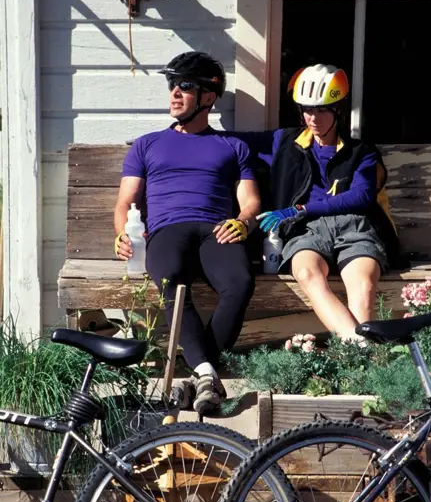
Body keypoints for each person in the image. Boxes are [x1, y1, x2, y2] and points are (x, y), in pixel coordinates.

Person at [114, 52, 261, 413]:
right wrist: (122, 233)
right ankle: (209, 374)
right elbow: (125, 202)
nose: (174, 93)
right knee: (171, 281)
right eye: (172, 85)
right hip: (168, 230)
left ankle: (199, 372)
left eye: (185, 86)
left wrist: (242, 222)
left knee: (240, 282)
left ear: (208, 98)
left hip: (216, 229)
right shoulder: (146, 145)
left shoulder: (233, 147)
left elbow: (252, 202)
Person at [238, 63, 400, 342]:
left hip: (355, 227)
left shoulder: (361, 151)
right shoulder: (284, 141)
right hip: (305, 230)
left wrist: (299, 208)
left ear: (339, 109)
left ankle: (356, 357)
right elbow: (227, 143)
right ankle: (362, 352)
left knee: (362, 286)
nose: (313, 117)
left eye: (323, 109)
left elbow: (361, 196)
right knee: (306, 273)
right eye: (307, 109)